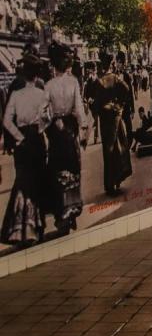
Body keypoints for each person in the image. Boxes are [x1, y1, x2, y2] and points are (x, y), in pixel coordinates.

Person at [0, 55, 51, 247]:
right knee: (37, 182)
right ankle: (37, 227)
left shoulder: (15, 95)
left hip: (22, 142)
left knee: (22, 182)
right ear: (37, 74)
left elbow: (6, 121)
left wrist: (19, 138)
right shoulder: (41, 94)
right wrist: (39, 130)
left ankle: (19, 229)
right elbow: (48, 118)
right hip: (37, 141)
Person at [44, 44, 86, 234]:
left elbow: (44, 113)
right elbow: (79, 109)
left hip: (55, 129)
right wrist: (83, 129)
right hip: (70, 128)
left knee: (57, 170)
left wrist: (51, 124)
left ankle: (61, 213)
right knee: (73, 168)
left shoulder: (49, 85)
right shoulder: (74, 82)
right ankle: (72, 210)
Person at [92, 53, 133, 195]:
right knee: (118, 146)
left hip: (105, 118)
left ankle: (109, 184)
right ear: (111, 64)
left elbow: (96, 104)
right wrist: (119, 105)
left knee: (107, 149)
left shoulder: (99, 81)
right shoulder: (115, 78)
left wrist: (98, 109)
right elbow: (127, 89)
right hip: (116, 116)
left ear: (102, 66)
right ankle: (118, 178)